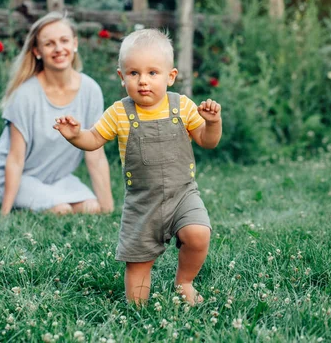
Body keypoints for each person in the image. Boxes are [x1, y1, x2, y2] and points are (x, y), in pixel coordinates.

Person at [53, 29, 222, 305]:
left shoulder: (182, 106)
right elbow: (94, 139)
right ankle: (138, 310)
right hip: (142, 203)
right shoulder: (120, 112)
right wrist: (75, 135)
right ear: (122, 77)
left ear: (171, 76)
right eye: (134, 73)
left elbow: (207, 140)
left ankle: (185, 282)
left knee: (198, 233)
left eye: (153, 73)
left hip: (183, 195)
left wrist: (213, 123)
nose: (143, 81)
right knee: (137, 271)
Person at [0, 12, 114, 216]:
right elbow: (15, 159)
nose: (58, 48)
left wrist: (109, 211)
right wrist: (5, 213)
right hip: (11, 178)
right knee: (61, 209)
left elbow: (95, 154)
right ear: (37, 51)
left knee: (93, 208)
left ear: (75, 44)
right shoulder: (24, 95)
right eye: (49, 44)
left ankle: (48, 198)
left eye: (64, 40)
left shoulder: (91, 90)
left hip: (56, 179)